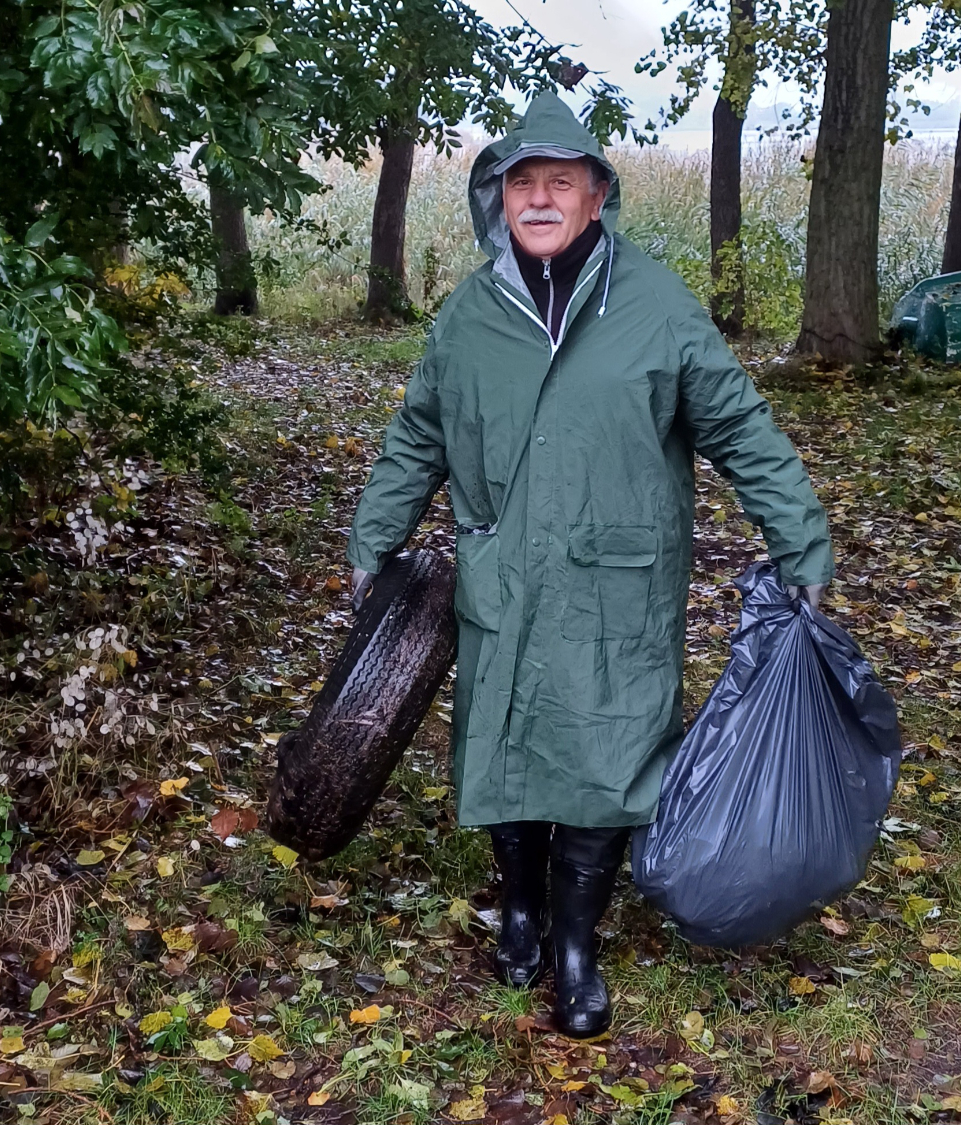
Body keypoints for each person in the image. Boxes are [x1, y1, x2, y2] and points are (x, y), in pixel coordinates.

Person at [345, 92, 833, 1038]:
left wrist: (800, 542)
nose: (538, 199)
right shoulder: (470, 314)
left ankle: (575, 942)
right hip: (503, 579)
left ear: (596, 195)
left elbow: (740, 428)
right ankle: (521, 912)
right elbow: (418, 437)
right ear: (498, 198)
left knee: (609, 760)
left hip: (619, 585)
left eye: (558, 182)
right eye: (522, 182)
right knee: (509, 751)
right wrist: (375, 543)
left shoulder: (655, 306)